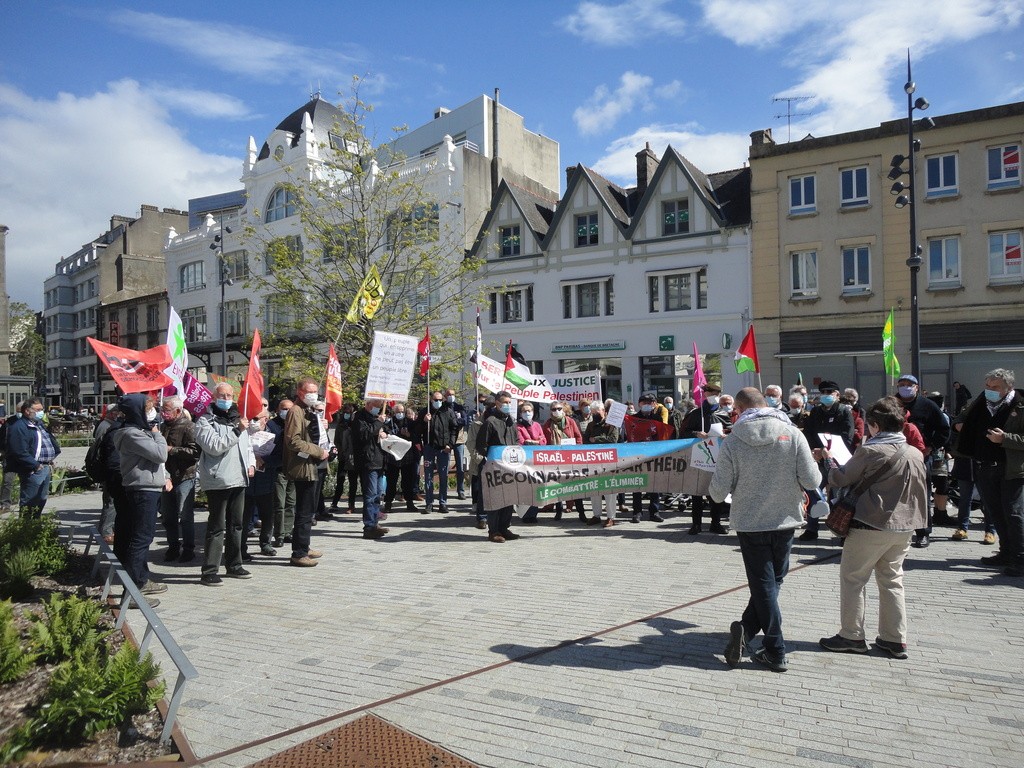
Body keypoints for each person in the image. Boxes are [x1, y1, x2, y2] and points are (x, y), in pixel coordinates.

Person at [710, 388, 820, 672]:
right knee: (772, 582)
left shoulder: (733, 441)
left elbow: (718, 493)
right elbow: (811, 479)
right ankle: (775, 648)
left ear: (740, 409)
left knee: (766, 583)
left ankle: (750, 633)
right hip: (785, 520)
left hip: (750, 522)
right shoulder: (793, 433)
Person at [817, 397, 928, 659]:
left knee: (854, 579)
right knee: (892, 581)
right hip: (905, 525)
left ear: (875, 426)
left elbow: (841, 477)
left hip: (871, 523)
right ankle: (894, 639)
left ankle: (851, 635)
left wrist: (829, 460)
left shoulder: (872, 450)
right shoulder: (914, 452)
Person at [952, 368, 1024, 577]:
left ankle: (1020, 559)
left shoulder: (1020, 404)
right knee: (995, 512)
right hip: (984, 466)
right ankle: (1005, 553)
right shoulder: (980, 402)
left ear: (1008, 387)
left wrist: (1006, 439)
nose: (990, 391)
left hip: (1011, 469)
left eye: (995, 387)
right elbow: (960, 418)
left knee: (1013, 513)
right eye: (987, 386)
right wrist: (959, 425)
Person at [194, 383, 256, 585]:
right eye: (223, 395)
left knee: (236, 525)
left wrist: (252, 462)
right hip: (219, 480)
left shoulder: (238, 419)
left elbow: (247, 447)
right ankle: (210, 570)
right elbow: (214, 447)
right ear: (214, 397)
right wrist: (237, 431)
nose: (227, 398)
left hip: (239, 478)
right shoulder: (205, 421)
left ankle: (234, 564)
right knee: (216, 527)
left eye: (230, 395)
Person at [109, 394, 168, 605]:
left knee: (142, 537)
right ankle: (132, 593)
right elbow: (161, 454)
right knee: (140, 540)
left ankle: (141, 580)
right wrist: (158, 435)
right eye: (147, 409)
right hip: (142, 490)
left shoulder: (137, 432)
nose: (151, 413)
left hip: (149, 488)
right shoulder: (131, 434)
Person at [896, 374, 951, 548]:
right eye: (902, 384)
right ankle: (897, 531)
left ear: (917, 387)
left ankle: (923, 533)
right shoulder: (890, 403)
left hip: (919, 457)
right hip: (894, 457)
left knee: (921, 496)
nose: (905, 387)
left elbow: (944, 429)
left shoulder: (928, 405)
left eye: (909, 384)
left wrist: (931, 447)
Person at [799, 379, 856, 542]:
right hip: (818, 459)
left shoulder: (844, 411)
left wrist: (828, 452)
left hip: (838, 460)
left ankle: (842, 530)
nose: (825, 396)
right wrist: (814, 451)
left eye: (829, 393)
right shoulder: (816, 412)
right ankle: (811, 528)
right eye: (823, 393)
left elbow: (847, 437)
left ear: (837, 395)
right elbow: (809, 433)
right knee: (814, 491)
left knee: (839, 496)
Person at [283, 378, 331, 559]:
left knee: (309, 511)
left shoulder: (307, 411)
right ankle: (299, 553)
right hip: (303, 467)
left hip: (312, 466)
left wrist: (321, 426)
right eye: (309, 392)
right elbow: (293, 441)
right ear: (300, 392)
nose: (313, 395)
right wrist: (319, 451)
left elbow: (310, 434)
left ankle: (304, 545)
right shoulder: (295, 411)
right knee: (304, 512)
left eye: (315, 392)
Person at [681, 384, 731, 534]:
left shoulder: (722, 413)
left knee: (715, 493)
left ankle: (715, 523)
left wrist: (725, 436)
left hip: (717, 458)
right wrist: (696, 433)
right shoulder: (696, 414)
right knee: (697, 492)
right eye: (710, 393)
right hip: (699, 457)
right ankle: (696, 524)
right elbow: (684, 433)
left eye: (715, 393)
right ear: (705, 394)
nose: (713, 396)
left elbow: (732, 431)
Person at [159, 396, 200, 563]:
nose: (163, 413)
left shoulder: (189, 427)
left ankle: (188, 549)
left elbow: (195, 453)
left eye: (166, 410)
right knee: (168, 516)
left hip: (185, 476)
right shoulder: (162, 427)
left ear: (177, 411)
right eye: (162, 409)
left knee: (185, 516)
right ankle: (173, 547)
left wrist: (172, 450)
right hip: (166, 477)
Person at [5, 398, 61, 518]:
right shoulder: (19, 427)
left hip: (45, 466)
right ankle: (26, 528)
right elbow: (19, 451)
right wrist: (35, 465)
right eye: (38, 410)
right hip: (33, 468)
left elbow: (48, 441)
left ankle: (35, 523)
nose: (41, 412)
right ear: (27, 411)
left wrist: (53, 454)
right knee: (29, 500)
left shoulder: (38, 424)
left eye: (42, 409)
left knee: (41, 498)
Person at [476, 391, 519, 543]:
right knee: (495, 500)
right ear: (497, 403)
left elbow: (516, 441)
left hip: (510, 467)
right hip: (494, 467)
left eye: (509, 402)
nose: (507, 405)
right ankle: (493, 531)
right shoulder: (491, 422)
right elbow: (481, 446)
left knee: (508, 499)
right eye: (505, 402)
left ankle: (504, 528)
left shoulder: (511, 422)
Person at [543, 400, 587, 522]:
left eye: (559, 409)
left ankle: (581, 512)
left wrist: (576, 451)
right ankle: (558, 511)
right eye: (554, 409)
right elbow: (545, 442)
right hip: (555, 459)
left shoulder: (570, 421)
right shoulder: (547, 424)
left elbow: (578, 437)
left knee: (576, 486)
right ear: (550, 411)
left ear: (563, 410)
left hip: (571, 458)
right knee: (557, 486)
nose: (557, 411)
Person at [352, 397, 389, 539]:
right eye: (376, 406)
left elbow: (382, 430)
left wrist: (384, 431)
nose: (378, 409)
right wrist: (379, 423)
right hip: (368, 461)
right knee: (370, 495)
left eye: (380, 406)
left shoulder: (375, 417)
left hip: (379, 460)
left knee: (378, 495)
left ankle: (374, 522)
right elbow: (364, 435)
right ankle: (368, 526)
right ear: (368, 404)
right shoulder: (359, 418)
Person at [584, 401, 620, 527]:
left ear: (604, 411)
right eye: (592, 413)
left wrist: (596, 439)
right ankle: (596, 515)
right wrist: (594, 440)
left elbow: (613, 440)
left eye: (597, 412)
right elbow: (586, 440)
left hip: (609, 461)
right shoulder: (590, 425)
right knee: (594, 489)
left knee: (610, 490)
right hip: (594, 461)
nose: (595, 415)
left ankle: (611, 517)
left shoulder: (611, 425)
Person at [422, 390, 458, 514]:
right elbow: (416, 429)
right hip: (429, 448)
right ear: (431, 400)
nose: (437, 402)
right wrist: (424, 421)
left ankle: (443, 503)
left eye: (439, 400)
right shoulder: (425, 412)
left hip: (444, 449)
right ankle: (429, 503)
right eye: (435, 400)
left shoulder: (448, 412)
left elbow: (454, 429)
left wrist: (450, 445)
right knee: (428, 477)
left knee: (443, 476)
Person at [264, 398, 293, 546]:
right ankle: (279, 535)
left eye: (290, 409)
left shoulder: (296, 423)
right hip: (278, 469)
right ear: (278, 410)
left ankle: (288, 531)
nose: (287, 412)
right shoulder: (271, 425)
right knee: (279, 504)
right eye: (284, 409)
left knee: (290, 503)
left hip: (293, 469)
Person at [517, 402, 547, 524]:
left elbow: (543, 441)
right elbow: (522, 442)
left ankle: (533, 514)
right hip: (525, 461)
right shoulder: (518, 427)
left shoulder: (537, 425)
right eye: (524, 411)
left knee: (536, 487)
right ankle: (525, 514)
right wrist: (535, 442)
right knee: (525, 488)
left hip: (537, 461)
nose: (527, 413)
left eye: (529, 411)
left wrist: (533, 442)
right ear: (520, 413)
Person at [330, 404, 358, 514]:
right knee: (340, 480)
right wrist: (341, 450)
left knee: (353, 482)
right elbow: (337, 440)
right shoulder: (341, 425)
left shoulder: (356, 425)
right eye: (345, 412)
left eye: (349, 412)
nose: (346, 414)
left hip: (353, 458)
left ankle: (351, 504)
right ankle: (335, 502)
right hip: (343, 457)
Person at [444, 388, 469, 500]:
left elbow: (465, 421)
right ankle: (443, 491)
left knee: (460, 467)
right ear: (445, 395)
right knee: (445, 467)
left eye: (453, 394)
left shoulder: (459, 407)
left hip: (459, 440)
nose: (451, 396)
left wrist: (454, 422)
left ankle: (461, 491)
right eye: (449, 394)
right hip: (446, 441)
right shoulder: (442, 407)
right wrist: (454, 423)